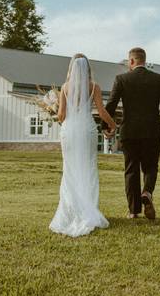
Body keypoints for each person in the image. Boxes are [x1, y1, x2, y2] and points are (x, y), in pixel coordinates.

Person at [49, 54, 118, 237]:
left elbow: (61, 116)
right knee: (88, 168)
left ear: (72, 68)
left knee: (70, 169)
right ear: (87, 68)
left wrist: (53, 109)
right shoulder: (93, 87)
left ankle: (71, 211)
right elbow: (101, 112)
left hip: (69, 131)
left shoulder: (64, 87)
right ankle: (88, 209)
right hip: (87, 130)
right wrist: (113, 124)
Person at [104, 47, 160, 220]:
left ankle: (134, 211)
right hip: (152, 132)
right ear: (144, 60)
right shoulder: (158, 79)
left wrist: (106, 126)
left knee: (131, 170)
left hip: (129, 133)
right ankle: (147, 192)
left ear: (131, 61)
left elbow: (111, 103)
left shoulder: (121, 79)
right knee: (151, 167)